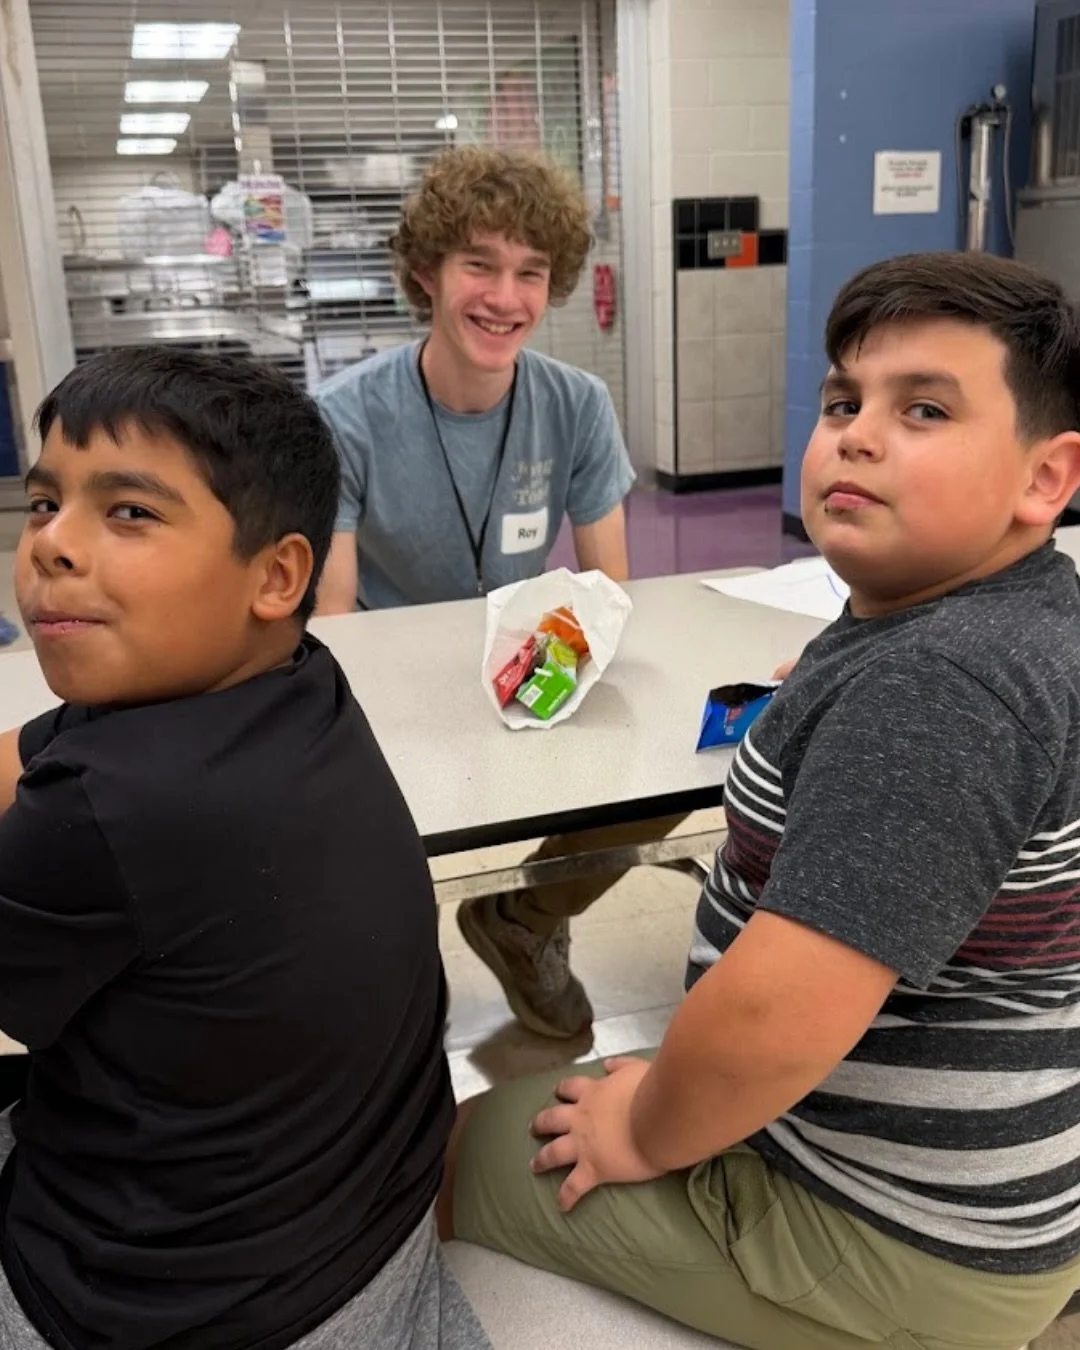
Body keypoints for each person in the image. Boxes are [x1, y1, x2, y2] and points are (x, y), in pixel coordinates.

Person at [439, 252, 1080, 1350]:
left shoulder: (939, 690)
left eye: (924, 408)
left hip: (889, 1233)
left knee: (449, 1159)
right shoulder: (997, 620)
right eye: (844, 401)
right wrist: (838, 693)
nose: (858, 434)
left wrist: (644, 1131)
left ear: (1044, 479)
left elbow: (777, 1018)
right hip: (950, 1177)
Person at [0, 348, 488, 1350]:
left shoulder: (114, 809)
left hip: (189, 1306)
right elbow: (26, 756)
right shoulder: (287, 679)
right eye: (45, 504)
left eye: (128, 511)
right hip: (364, 1222)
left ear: (276, 574)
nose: (54, 546)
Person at [315, 146, 652, 1043]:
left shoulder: (575, 403)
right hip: (391, 677)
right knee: (371, 843)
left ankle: (524, 923)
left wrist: (550, 674)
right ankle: (388, 976)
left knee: (658, 776)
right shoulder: (344, 416)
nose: (505, 298)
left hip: (530, 659)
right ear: (426, 272)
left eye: (530, 272)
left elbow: (605, 590)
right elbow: (333, 618)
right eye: (479, 264)